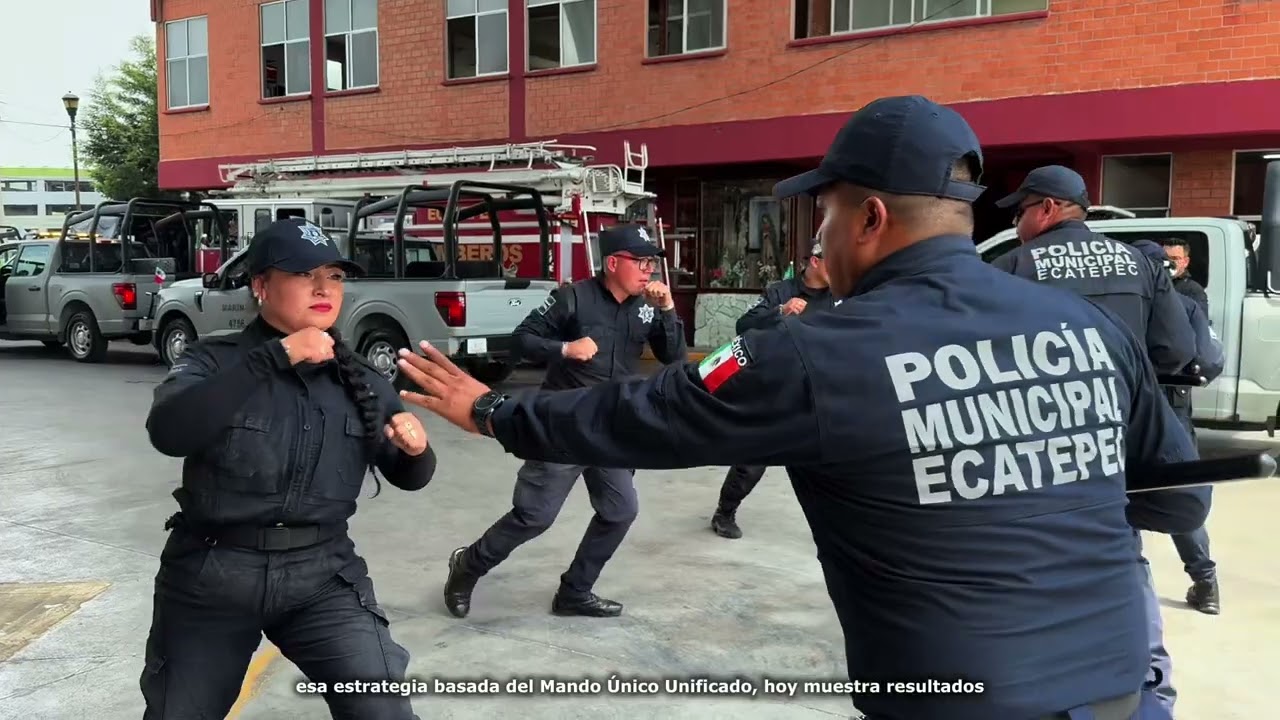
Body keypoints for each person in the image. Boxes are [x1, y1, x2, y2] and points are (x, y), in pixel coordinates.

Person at [396, 95, 1209, 720]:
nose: (820, 233)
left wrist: (496, 414)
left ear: (870, 217)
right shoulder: (1087, 328)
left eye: (825, 212)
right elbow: (1179, 499)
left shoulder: (818, 351)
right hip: (1125, 691)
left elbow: (651, 411)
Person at [142, 218, 436, 720]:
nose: (324, 288)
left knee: (382, 711)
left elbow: (411, 476)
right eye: (304, 274)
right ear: (261, 286)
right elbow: (169, 431)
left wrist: (416, 451)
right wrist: (273, 358)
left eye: (335, 276)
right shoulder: (215, 361)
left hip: (321, 574)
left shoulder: (361, 379)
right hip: (214, 573)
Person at [440, 224, 686, 619]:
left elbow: (674, 358)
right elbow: (522, 340)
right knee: (534, 516)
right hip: (563, 425)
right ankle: (467, 565)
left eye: (652, 263)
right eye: (640, 261)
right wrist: (565, 348)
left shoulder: (647, 306)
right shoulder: (572, 298)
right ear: (612, 263)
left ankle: (575, 591)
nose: (649, 270)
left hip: (613, 427)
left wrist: (669, 310)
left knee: (620, 510)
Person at [991, 165, 1197, 376]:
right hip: (1120, 403)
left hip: (1041, 403)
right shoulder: (1142, 264)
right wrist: (1130, 381)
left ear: (1047, 208)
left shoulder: (1011, 266)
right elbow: (1177, 350)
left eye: (1020, 212)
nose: (1016, 224)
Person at [711, 240, 833, 539]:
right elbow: (745, 324)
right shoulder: (781, 291)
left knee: (830, 458)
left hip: (820, 387)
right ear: (815, 262)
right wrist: (780, 310)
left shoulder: (842, 293)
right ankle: (724, 512)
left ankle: (836, 523)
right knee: (754, 458)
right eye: (834, 260)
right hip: (778, 385)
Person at [1134, 240, 1223, 617]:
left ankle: (1129, 587)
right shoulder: (1185, 306)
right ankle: (1206, 584)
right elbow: (1210, 360)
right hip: (1172, 408)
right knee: (1179, 494)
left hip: (1127, 408)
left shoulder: (1119, 307)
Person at [1159, 237, 1209, 313]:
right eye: (1165, 258)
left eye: (1175, 258)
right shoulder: (1154, 283)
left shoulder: (1193, 290)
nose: (1169, 262)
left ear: (1185, 261)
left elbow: (1199, 322)